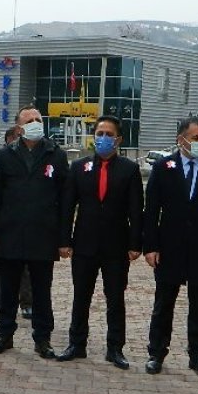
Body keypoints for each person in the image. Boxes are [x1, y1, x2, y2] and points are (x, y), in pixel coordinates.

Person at [143, 116, 198, 377]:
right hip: (170, 247)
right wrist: (150, 246)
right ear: (181, 140)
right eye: (196, 138)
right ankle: (156, 353)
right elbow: (152, 210)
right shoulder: (163, 167)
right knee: (163, 304)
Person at [56, 115, 143, 369]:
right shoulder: (79, 167)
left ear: (118, 139)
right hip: (84, 243)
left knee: (115, 298)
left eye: (109, 134)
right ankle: (76, 344)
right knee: (81, 296)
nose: (103, 138)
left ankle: (115, 348)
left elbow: (136, 210)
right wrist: (64, 240)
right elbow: (67, 207)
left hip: (116, 246)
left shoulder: (129, 169)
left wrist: (135, 244)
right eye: (99, 133)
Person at [0, 107, 69, 359]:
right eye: (29, 120)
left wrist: (63, 238)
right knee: (8, 290)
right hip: (10, 234)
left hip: (43, 235)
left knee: (42, 291)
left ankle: (42, 339)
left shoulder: (56, 154)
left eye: (38, 119)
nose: (35, 123)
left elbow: (65, 200)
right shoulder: (5, 155)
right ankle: (5, 334)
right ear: (19, 128)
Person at [0, 125, 33, 319]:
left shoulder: (32, 160)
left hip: (26, 222)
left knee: (26, 268)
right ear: (8, 140)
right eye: (16, 137)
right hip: (4, 222)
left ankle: (27, 303)